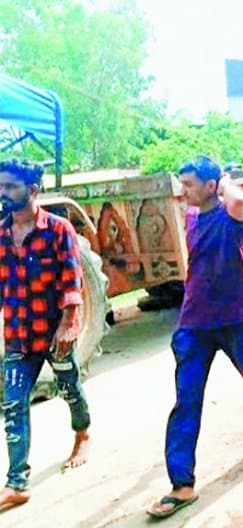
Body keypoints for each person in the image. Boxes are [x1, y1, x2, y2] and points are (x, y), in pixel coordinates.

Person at [148, 156, 243, 518]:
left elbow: (239, 202)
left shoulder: (231, 216)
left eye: (190, 184)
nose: (184, 191)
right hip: (195, 322)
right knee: (185, 400)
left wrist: (221, 178)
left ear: (212, 186)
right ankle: (182, 483)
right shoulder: (191, 217)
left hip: (238, 316)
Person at [0, 160, 91, 511]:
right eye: (1, 186)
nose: (3, 193)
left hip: (54, 332)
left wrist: (69, 324)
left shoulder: (58, 229)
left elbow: (72, 280)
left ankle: (82, 434)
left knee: (69, 387)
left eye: (10, 187)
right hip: (18, 336)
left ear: (33, 191)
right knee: (13, 402)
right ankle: (17, 482)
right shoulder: (2, 235)